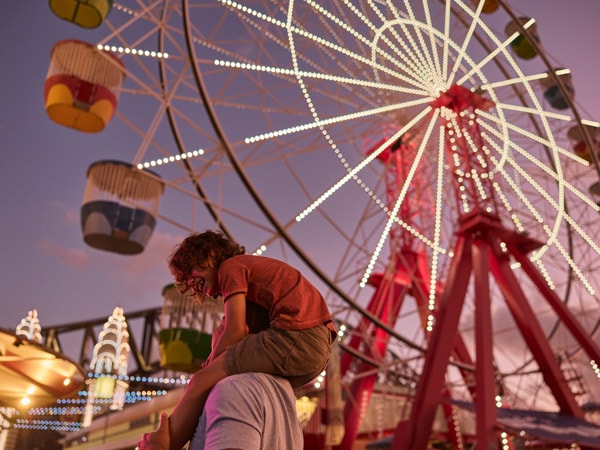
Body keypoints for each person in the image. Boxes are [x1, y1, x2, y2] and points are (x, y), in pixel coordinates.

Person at [138, 229, 336, 450]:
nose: (192, 283)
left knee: (199, 382)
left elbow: (236, 330)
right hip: (314, 351)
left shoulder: (230, 267)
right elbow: (237, 332)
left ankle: (162, 444)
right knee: (211, 376)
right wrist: (213, 363)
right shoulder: (252, 290)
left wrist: (206, 372)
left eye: (190, 271)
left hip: (297, 337)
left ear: (211, 253)